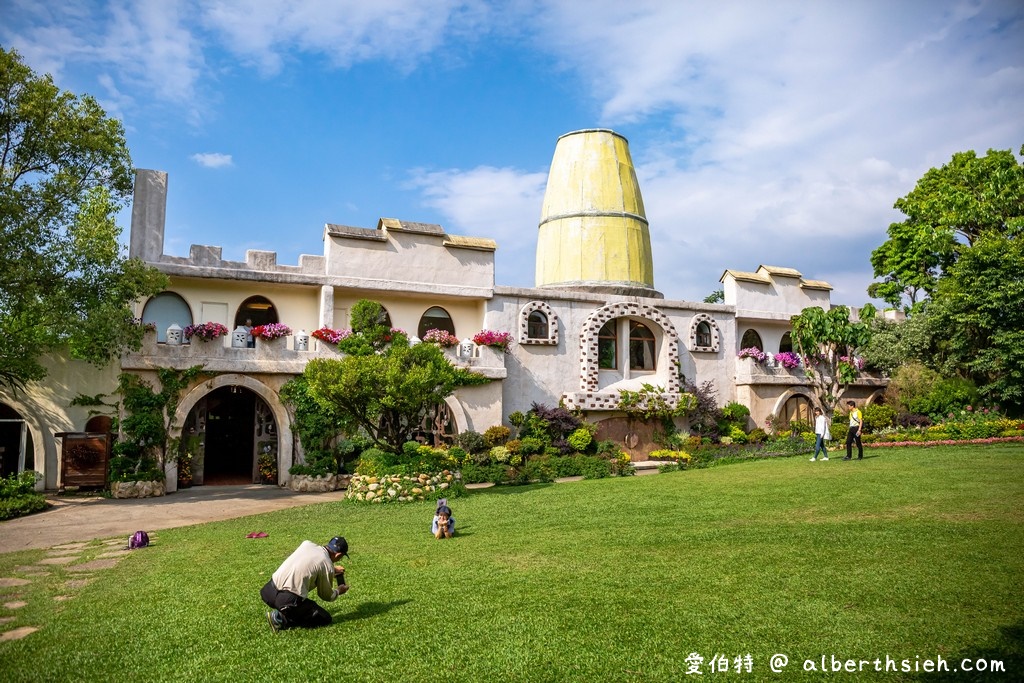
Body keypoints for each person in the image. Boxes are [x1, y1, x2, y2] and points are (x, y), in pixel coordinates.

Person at [261, 536, 349, 632]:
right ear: (338, 555)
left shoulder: (307, 544)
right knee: (325, 618)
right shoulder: (327, 565)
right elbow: (327, 596)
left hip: (268, 592)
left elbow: (308, 564)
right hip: (287, 600)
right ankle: (280, 619)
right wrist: (339, 591)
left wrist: (332, 570)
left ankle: (284, 611)